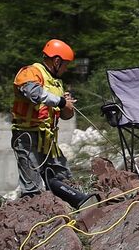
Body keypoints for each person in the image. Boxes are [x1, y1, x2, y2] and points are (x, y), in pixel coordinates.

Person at [7, 39, 95, 208]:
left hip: (48, 141)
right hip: (27, 137)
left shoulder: (57, 84)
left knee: (63, 178)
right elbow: (33, 93)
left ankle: (76, 207)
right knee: (32, 187)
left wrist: (67, 107)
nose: (66, 68)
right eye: (65, 64)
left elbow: (64, 115)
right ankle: (35, 215)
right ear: (56, 61)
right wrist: (61, 102)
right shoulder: (31, 72)